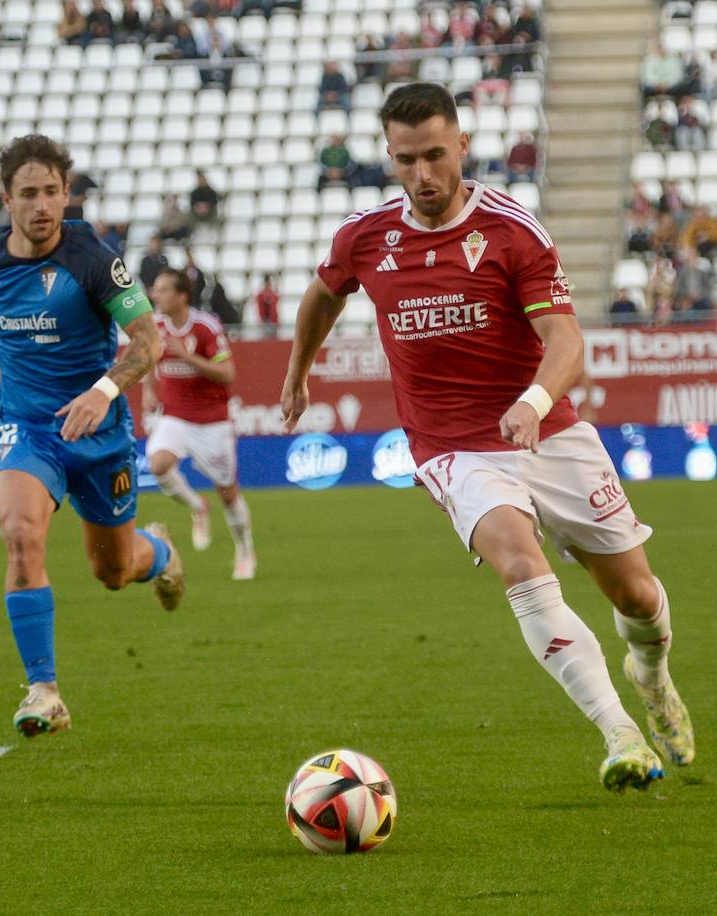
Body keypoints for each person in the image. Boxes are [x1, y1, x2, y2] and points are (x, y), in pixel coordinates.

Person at [279, 83, 693, 794]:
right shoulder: (365, 236)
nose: (423, 175)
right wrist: (297, 372)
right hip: (452, 447)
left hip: (549, 436)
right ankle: (618, 731)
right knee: (522, 571)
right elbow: (325, 291)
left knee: (637, 599)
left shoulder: (511, 230)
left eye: (436, 155)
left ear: (463, 146)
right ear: (389, 155)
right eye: (406, 160)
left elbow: (566, 338)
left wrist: (534, 401)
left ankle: (650, 676)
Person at [0, 134, 182, 739]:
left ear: (66, 194)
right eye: (28, 194)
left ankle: (158, 552)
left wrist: (102, 391)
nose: (42, 206)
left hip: (100, 432)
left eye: (52, 192)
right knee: (21, 533)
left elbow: (147, 342)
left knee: (112, 572)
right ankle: (44, 690)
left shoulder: (92, 257)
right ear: (7, 199)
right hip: (27, 429)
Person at [142, 268, 255, 580]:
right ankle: (197, 507)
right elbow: (148, 360)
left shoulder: (205, 327)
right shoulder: (155, 325)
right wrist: (150, 392)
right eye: (156, 289)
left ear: (181, 296)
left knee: (228, 492)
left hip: (211, 420)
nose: (156, 295)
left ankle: (244, 550)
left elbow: (228, 374)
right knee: (159, 464)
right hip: (174, 414)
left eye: (163, 289)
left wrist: (188, 358)